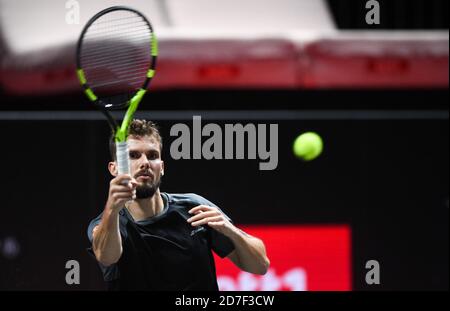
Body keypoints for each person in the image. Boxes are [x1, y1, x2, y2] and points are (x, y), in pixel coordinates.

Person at [87, 119, 270, 290]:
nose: (144, 163)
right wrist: (112, 209)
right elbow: (107, 256)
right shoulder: (106, 225)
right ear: (114, 168)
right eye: (133, 155)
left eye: (152, 155)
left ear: (162, 167)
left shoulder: (194, 208)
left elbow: (261, 265)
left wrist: (230, 230)